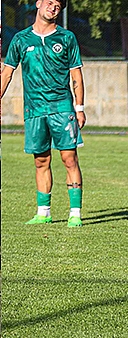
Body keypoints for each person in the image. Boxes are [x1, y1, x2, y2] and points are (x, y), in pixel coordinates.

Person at [1, 0, 86, 227]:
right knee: (41, 160)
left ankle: (75, 213)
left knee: (69, 158)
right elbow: (7, 73)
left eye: (58, 5)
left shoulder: (67, 38)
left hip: (62, 108)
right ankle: (43, 212)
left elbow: (76, 75)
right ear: (38, 3)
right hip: (34, 110)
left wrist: (79, 108)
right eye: (50, 2)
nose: (54, 7)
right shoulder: (20, 39)